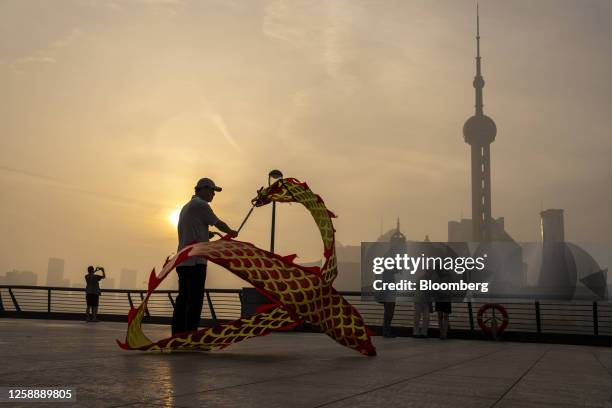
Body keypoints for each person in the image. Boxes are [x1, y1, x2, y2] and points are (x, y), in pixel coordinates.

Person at [171, 177, 238, 335]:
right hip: (196, 262)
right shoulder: (201, 205)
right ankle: (191, 337)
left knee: (183, 300)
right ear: (202, 189)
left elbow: (192, 229)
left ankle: (178, 335)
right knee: (194, 301)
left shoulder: (186, 207)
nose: (213, 194)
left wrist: (206, 234)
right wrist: (231, 232)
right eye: (212, 191)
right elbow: (218, 223)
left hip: (182, 261)